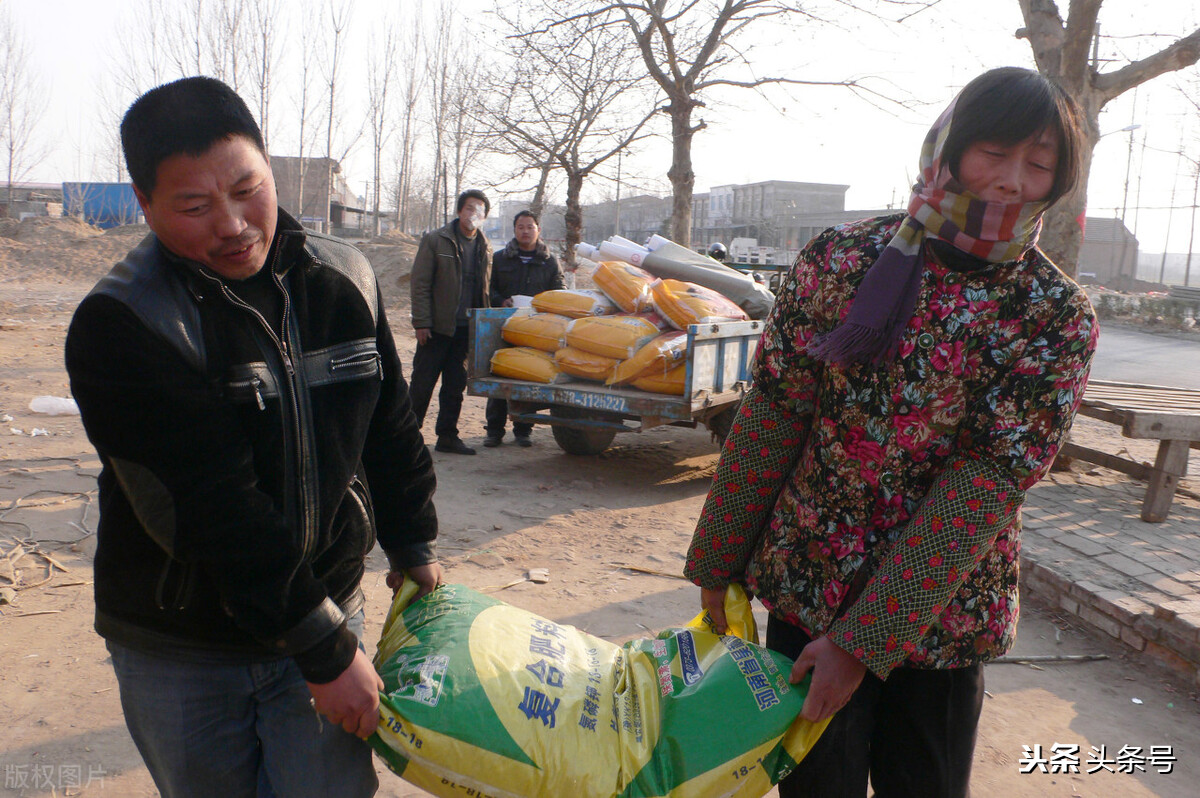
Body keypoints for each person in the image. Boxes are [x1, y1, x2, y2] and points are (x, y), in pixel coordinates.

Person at [684, 67, 1097, 797]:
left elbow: (990, 480)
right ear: (948, 145)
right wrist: (719, 558)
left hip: (940, 620)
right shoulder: (843, 261)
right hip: (809, 582)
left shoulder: (1053, 312)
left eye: (1037, 164)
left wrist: (862, 642)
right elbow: (777, 410)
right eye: (994, 153)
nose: (1010, 182)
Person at [64, 76, 442, 798]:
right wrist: (324, 651)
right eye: (196, 206)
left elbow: (388, 421)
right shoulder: (124, 322)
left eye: (247, 189)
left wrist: (413, 540)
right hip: (182, 641)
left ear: (270, 167)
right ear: (145, 205)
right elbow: (213, 504)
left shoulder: (345, 279)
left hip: (327, 602)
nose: (234, 224)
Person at [410, 189, 493, 455]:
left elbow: (487, 287)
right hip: (436, 328)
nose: (473, 214)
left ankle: (447, 436)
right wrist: (422, 322)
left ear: (485, 217)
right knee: (422, 385)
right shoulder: (437, 240)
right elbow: (420, 283)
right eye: (469, 208)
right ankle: (407, 439)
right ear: (459, 211)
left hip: (466, 330)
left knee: (455, 387)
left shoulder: (485, 246)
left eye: (479, 210)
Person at [484, 209, 565, 447]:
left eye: (530, 226)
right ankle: (494, 430)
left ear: (538, 230)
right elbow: (489, 287)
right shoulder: (500, 258)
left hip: (537, 329)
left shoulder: (549, 260)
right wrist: (501, 300)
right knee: (498, 373)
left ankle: (523, 430)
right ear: (514, 230)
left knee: (528, 374)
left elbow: (559, 290)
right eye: (521, 227)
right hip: (504, 325)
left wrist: (545, 303)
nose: (525, 231)